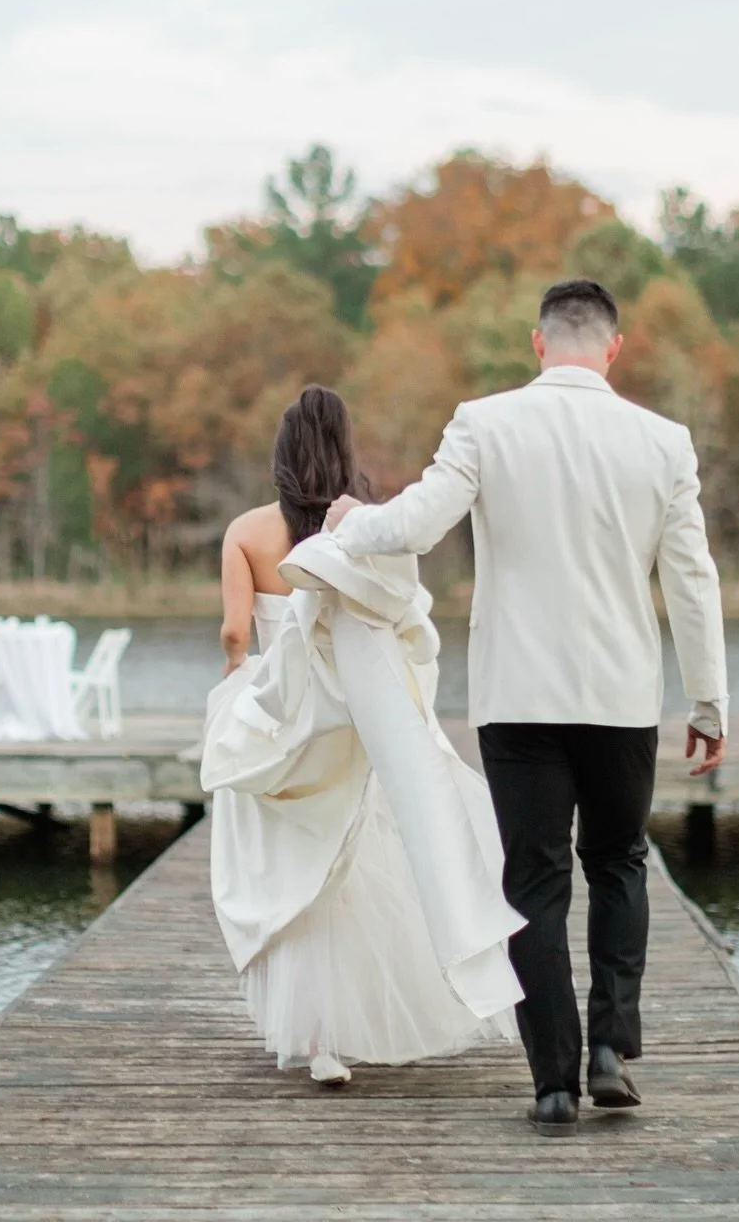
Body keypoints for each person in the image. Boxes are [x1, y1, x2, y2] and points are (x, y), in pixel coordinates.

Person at [326, 278, 728, 1136]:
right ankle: (612, 1047)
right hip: (620, 699)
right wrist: (709, 700)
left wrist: (352, 521)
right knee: (618, 862)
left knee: (534, 880)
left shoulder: (485, 421)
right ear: (613, 348)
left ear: (539, 343)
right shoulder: (663, 443)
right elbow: (693, 582)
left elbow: (417, 525)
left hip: (517, 697)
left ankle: (552, 1081)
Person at [201, 385, 524, 1087]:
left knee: (297, 867)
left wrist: (238, 682)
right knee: (360, 866)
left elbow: (234, 632)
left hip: (290, 722)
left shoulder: (247, 532)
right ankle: (380, 1017)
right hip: (356, 717)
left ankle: (317, 1039)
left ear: (281, 457)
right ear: (345, 454)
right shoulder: (366, 530)